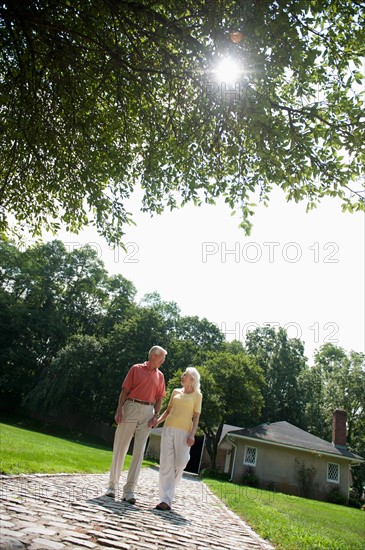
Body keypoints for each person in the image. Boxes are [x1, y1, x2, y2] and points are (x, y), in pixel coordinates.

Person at [106, 345, 167, 503]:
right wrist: (119, 409)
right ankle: (112, 486)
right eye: (162, 357)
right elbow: (124, 391)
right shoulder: (136, 368)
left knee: (139, 453)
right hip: (131, 406)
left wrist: (156, 415)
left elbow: (160, 398)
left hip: (148, 411)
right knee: (120, 447)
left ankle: (129, 491)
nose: (163, 361)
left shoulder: (160, 376)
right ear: (154, 356)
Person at [155, 367, 202, 511]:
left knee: (181, 463)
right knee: (166, 464)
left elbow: (196, 417)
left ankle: (169, 491)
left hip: (184, 432)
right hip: (169, 428)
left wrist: (192, 434)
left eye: (185, 375)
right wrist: (157, 422)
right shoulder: (175, 392)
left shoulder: (197, 395)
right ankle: (165, 499)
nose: (182, 376)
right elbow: (168, 411)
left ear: (192, 379)